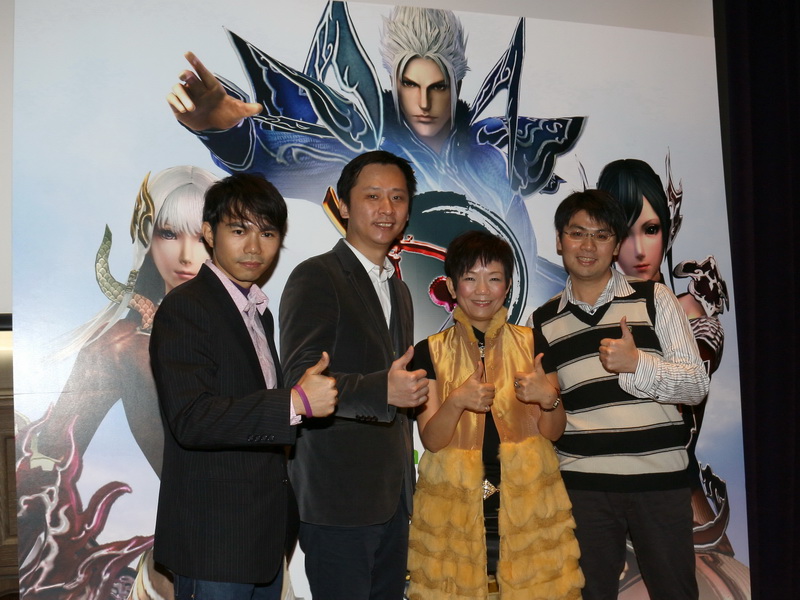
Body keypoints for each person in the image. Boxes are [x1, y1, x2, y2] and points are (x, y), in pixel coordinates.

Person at [165, 3, 583, 312]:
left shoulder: (490, 164)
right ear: (394, 82)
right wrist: (225, 131)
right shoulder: (363, 153)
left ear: (455, 85)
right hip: (393, 340)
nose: (423, 102)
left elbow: (521, 264)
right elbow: (274, 158)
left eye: (437, 87)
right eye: (410, 85)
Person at [149, 173, 338, 599]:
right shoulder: (186, 306)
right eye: (239, 231)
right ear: (209, 233)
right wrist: (294, 403)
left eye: (267, 233)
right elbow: (192, 419)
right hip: (214, 540)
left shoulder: (257, 313)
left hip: (263, 536)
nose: (254, 247)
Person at [531, 190, 709, 600]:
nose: (588, 245)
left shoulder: (655, 297)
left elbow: (696, 386)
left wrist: (637, 364)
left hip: (659, 481)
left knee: (676, 592)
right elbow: (552, 409)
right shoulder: (543, 320)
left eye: (601, 235)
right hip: (584, 487)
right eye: (577, 233)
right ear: (559, 240)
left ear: (615, 246)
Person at [279, 150, 428, 600]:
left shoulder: (399, 290)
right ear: (343, 205)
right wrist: (383, 389)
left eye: (398, 197)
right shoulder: (316, 276)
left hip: (393, 497)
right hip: (338, 498)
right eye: (373, 196)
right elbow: (301, 380)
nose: (386, 209)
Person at [407, 230, 583, 599]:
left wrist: (549, 399)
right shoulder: (428, 351)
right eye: (470, 278)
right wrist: (456, 401)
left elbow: (554, 432)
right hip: (453, 509)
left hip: (529, 507)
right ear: (452, 287)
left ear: (508, 286)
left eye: (494, 278)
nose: (482, 290)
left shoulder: (533, 343)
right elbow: (432, 441)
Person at [38, 166, 216, 474]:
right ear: (148, 240)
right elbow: (51, 457)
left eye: (201, 237)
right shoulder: (121, 343)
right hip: (198, 490)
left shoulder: (252, 316)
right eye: (169, 234)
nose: (186, 255)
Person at [597, 158, 730, 542]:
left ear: (668, 230)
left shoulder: (692, 315)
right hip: (602, 503)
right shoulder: (584, 312)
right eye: (625, 233)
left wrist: (636, 362)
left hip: (680, 504)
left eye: (651, 229)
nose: (639, 250)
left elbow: (687, 394)